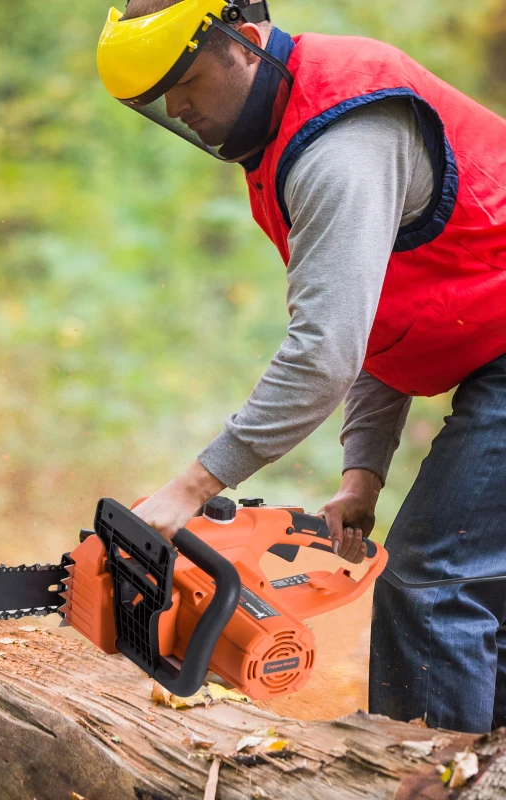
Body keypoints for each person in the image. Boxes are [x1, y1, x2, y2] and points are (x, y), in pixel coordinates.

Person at [95, 0, 506, 733]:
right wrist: (363, 474)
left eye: (184, 79)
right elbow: (384, 319)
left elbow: (322, 356)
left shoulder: (339, 149)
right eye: (161, 97)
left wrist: (193, 486)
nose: (178, 105)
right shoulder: (294, 138)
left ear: (245, 42)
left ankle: (430, 778)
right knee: (482, 589)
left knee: (431, 580)